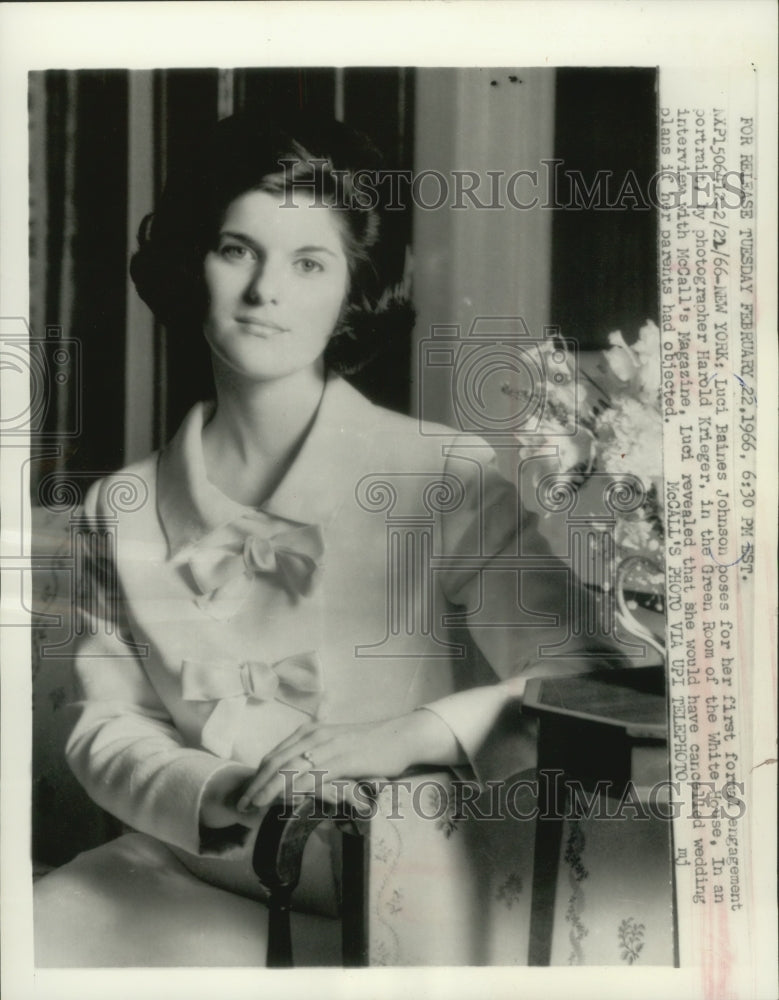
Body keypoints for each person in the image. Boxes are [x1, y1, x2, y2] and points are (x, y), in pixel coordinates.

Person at [33, 112, 613, 967]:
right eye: (237, 249)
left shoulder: (437, 472)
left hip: (392, 893)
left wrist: (409, 734)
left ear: (353, 287)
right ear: (193, 259)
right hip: (180, 869)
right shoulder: (120, 507)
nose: (266, 291)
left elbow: (587, 674)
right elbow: (109, 720)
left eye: (309, 262)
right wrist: (210, 792)